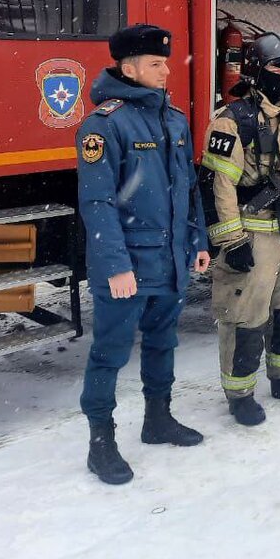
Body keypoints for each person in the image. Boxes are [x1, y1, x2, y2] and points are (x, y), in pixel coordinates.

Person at [77, 24, 209, 486]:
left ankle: (158, 420)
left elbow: (188, 189)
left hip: (169, 259)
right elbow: (97, 203)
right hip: (129, 266)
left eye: (166, 62)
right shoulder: (104, 125)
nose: (166, 70)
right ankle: (101, 442)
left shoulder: (172, 119)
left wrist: (197, 243)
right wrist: (115, 266)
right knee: (109, 353)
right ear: (128, 67)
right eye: (156, 64)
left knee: (162, 343)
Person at [199, 34, 280, 427]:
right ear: (256, 71)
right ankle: (240, 394)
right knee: (245, 316)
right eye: (276, 67)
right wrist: (232, 240)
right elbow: (217, 185)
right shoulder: (231, 118)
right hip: (252, 235)